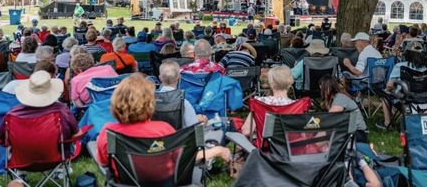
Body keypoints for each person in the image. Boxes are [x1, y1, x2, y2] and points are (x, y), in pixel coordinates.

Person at [95, 74, 230, 167]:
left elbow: (103, 163)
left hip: (125, 182)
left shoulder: (108, 132)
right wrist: (218, 150)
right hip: (164, 181)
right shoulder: (163, 129)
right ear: (150, 103)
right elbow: (185, 158)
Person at [0, 70, 78, 156]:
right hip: (55, 159)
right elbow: (76, 133)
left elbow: (1, 140)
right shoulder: (62, 111)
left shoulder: (12, 114)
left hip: (21, 161)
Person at [376, 42, 427, 129]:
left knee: (386, 93)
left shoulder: (400, 66)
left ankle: (387, 123)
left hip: (406, 98)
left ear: (407, 54)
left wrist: (390, 89)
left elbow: (389, 85)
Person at [242, 66, 294, 138]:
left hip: (265, 147)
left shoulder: (260, 102)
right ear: (290, 82)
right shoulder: (298, 105)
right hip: (290, 147)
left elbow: (246, 131)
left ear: (271, 82)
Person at [319, 74, 368, 143]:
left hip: (358, 134)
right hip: (350, 132)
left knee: (323, 138)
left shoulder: (340, 98)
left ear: (327, 88)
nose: (321, 93)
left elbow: (329, 120)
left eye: (322, 90)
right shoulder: (336, 98)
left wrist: (315, 136)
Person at [158, 60, 207, 127]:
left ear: (160, 78)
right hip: (179, 136)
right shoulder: (184, 102)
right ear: (179, 77)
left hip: (157, 136)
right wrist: (199, 121)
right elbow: (193, 128)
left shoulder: (151, 101)